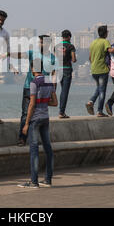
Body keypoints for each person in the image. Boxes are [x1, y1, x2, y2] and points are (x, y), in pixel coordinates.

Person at [18, 58, 57, 189]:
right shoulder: (48, 81)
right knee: (48, 149)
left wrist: (26, 123)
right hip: (45, 117)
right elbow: (55, 102)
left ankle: (34, 181)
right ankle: (48, 179)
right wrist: (44, 102)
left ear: (32, 69)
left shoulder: (34, 83)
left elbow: (32, 105)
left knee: (34, 150)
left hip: (35, 119)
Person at [12, 35, 56, 146]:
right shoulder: (32, 53)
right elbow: (20, 55)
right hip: (29, 86)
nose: (41, 44)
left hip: (44, 88)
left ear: (48, 44)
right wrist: (8, 54)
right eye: (40, 42)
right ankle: (22, 138)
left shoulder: (52, 58)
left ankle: (39, 138)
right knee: (26, 113)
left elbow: (54, 74)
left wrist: (53, 90)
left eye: (43, 42)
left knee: (40, 113)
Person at [85, 25, 114, 117]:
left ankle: (91, 101)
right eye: (107, 32)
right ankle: (100, 111)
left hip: (94, 70)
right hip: (102, 70)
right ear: (105, 33)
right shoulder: (105, 41)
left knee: (99, 88)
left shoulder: (93, 42)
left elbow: (90, 57)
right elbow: (111, 51)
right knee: (102, 91)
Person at [54, 30, 76, 118]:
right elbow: (74, 59)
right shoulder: (70, 46)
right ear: (69, 37)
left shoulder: (56, 46)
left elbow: (55, 59)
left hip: (58, 70)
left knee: (62, 90)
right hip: (67, 69)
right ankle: (61, 112)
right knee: (64, 91)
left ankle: (61, 111)